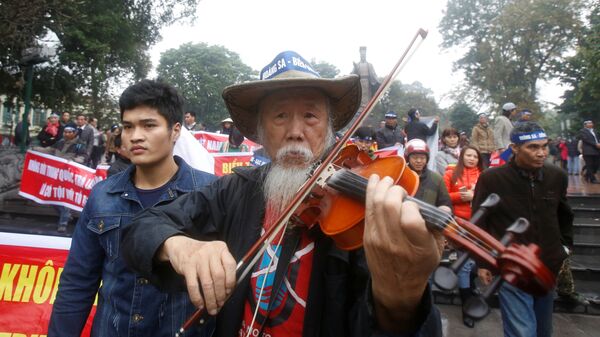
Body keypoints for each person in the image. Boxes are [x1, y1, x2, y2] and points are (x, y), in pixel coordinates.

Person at [121, 51, 442, 337]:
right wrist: (179, 246)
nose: (295, 131)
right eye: (280, 116)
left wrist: (397, 301)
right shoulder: (236, 189)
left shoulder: (361, 214)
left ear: (330, 127)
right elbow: (141, 229)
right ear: (261, 130)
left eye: (310, 116)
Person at [48, 80, 217, 336]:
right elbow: (77, 283)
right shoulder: (102, 196)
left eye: (149, 125)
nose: (135, 136)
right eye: (128, 126)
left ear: (175, 131)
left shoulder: (210, 193)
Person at [473, 121, 573, 337]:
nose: (541, 153)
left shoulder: (557, 176)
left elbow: (564, 215)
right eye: (533, 147)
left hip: (548, 265)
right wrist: (482, 262)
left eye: (544, 146)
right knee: (522, 332)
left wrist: (564, 248)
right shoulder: (492, 179)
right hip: (512, 267)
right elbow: (479, 222)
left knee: (543, 330)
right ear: (515, 148)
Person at [442, 145, 484, 328]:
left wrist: (474, 196)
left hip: (480, 225)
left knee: (476, 262)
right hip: (459, 225)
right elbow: (443, 197)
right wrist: (461, 197)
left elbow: (492, 197)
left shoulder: (484, 175)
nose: (472, 158)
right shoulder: (451, 172)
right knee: (465, 264)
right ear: (462, 156)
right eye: (468, 155)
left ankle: (470, 286)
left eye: (475, 156)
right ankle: (467, 306)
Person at [33, 122, 88, 232]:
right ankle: (67, 216)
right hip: (57, 174)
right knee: (52, 196)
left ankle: (63, 223)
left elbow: (84, 157)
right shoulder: (60, 143)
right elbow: (49, 150)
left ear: (75, 132)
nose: (67, 134)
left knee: (64, 198)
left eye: (69, 132)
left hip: (69, 176)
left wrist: (73, 161)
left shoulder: (79, 145)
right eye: (65, 132)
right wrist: (34, 149)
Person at [404, 138, 452, 211]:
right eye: (415, 157)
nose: (419, 161)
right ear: (408, 159)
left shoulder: (436, 179)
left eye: (422, 158)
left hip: (429, 219)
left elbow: (445, 203)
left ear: (427, 159)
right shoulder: (401, 177)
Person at [352, 46, 380, 112]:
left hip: (367, 83)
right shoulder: (357, 64)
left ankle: (366, 109)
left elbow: (374, 75)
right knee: (360, 96)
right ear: (360, 55)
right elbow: (352, 74)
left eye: (364, 54)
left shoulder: (369, 65)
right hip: (359, 83)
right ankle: (359, 110)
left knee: (367, 97)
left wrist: (378, 82)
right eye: (362, 54)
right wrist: (355, 68)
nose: (363, 56)